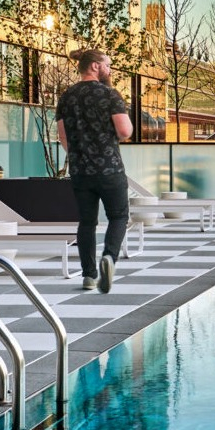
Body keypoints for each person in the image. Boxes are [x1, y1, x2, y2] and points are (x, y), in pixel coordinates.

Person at [56, 49, 132, 292]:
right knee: (119, 216)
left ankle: (88, 276)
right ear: (95, 66)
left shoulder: (66, 96)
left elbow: (62, 136)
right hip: (110, 168)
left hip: (81, 171)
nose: (110, 70)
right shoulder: (110, 94)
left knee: (87, 222)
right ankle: (109, 257)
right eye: (108, 65)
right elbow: (124, 131)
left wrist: (79, 155)